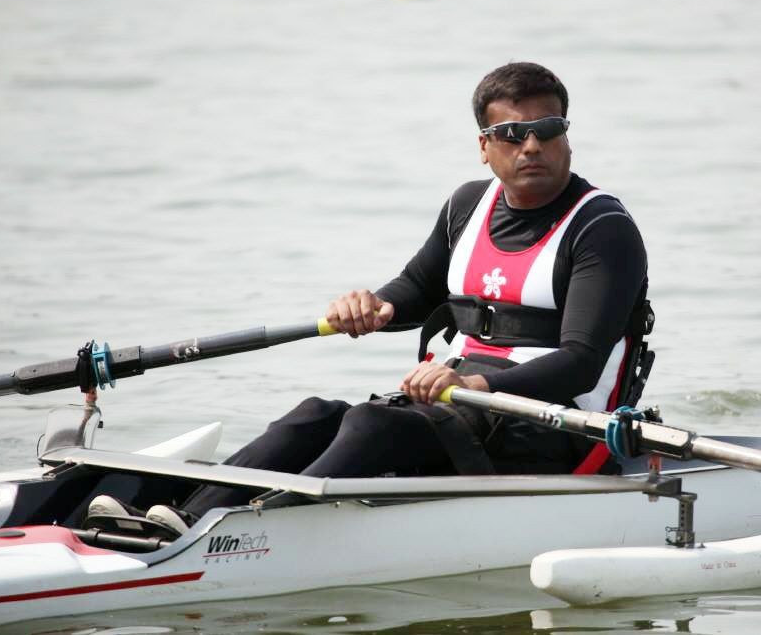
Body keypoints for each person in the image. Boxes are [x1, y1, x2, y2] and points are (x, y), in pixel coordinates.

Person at [87, 62, 651, 535]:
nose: (531, 145)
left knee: (372, 425)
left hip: (557, 427)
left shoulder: (601, 228)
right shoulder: (467, 205)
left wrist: (473, 383)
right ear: (484, 147)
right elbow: (413, 291)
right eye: (511, 134)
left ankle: (230, 535)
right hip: (459, 404)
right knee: (312, 417)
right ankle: (182, 518)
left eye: (547, 129)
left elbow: (580, 363)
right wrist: (374, 307)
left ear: (567, 136)